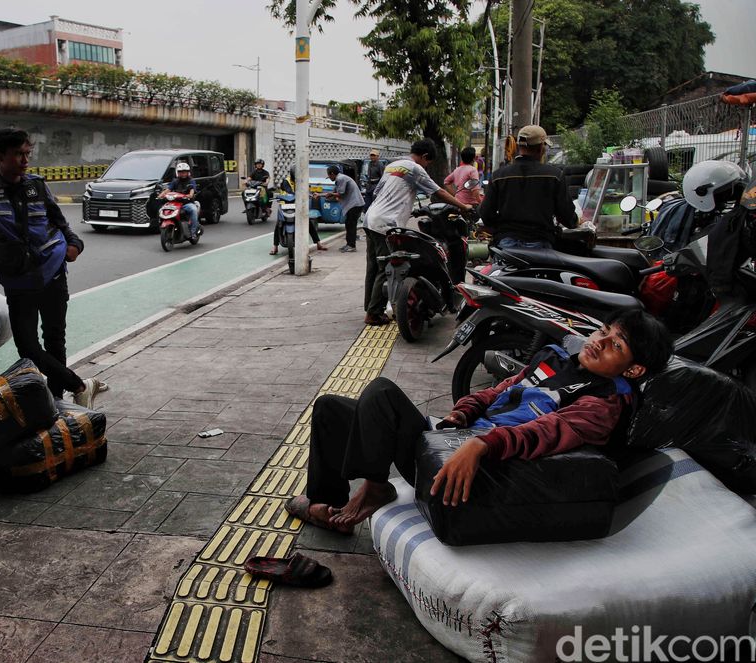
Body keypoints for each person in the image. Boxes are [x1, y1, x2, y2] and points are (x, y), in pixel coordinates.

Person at [285, 309, 673, 533]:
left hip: (480, 469)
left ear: (635, 368)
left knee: (382, 393)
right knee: (330, 407)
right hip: (455, 439)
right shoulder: (556, 358)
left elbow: (549, 434)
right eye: (605, 331)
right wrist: (465, 411)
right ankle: (325, 500)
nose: (599, 341)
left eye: (615, 345)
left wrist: (485, 443)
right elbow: (500, 390)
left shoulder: (603, 402)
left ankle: (373, 487)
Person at [0, 128, 105, 406]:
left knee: (55, 341)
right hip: (19, 281)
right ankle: (81, 385)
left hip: (54, 274)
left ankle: (57, 399)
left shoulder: (36, 184)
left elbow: (61, 224)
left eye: (27, 154)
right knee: (27, 346)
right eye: (18, 155)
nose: (25, 161)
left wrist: (75, 246)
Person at [362, 139, 471, 326]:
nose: (427, 166)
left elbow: (380, 191)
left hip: (371, 218)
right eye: (428, 162)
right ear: (425, 156)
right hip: (386, 223)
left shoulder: (393, 165)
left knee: (373, 266)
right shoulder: (415, 168)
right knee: (386, 268)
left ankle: (370, 307)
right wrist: (464, 206)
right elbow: (439, 192)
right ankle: (373, 313)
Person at [479, 125, 577, 249]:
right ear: (541, 148)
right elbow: (565, 214)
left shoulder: (499, 176)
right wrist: (576, 221)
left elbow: (486, 213)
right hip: (541, 242)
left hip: (507, 245)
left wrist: (502, 227)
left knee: (502, 269)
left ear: (519, 147)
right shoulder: (554, 175)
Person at [271, 167, 326, 255]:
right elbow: (288, 191)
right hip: (285, 204)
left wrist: (309, 194)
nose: (296, 176)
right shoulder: (286, 181)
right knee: (279, 223)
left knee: (308, 222)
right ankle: (275, 246)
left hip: (298, 205)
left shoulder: (302, 181)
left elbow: (307, 189)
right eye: (295, 175)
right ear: (292, 174)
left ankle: (318, 243)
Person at [316, 164, 365, 253]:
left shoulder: (340, 179)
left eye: (329, 175)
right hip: (353, 205)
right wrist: (320, 195)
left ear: (332, 173)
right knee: (348, 224)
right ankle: (349, 244)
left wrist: (330, 195)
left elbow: (340, 193)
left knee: (351, 225)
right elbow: (333, 193)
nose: (329, 178)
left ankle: (351, 245)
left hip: (355, 205)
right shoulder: (340, 179)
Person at [159, 162, 202, 242]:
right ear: (177, 173)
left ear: (188, 172)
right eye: (181, 172)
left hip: (187, 203)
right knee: (162, 209)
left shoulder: (191, 181)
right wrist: (161, 195)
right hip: (175, 204)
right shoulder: (175, 181)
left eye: (185, 172)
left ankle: (193, 233)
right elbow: (168, 189)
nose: (183, 174)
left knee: (193, 210)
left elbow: (192, 189)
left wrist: (190, 195)